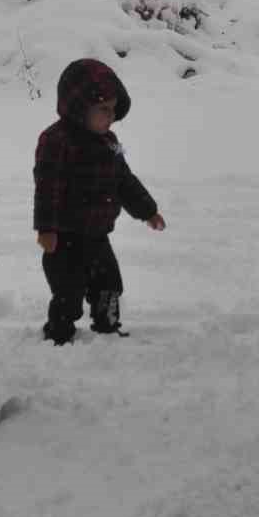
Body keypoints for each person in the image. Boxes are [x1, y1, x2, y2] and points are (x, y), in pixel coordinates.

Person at [34, 57, 166, 345]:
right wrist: (46, 229)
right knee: (68, 289)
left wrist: (148, 211)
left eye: (113, 110)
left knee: (109, 284)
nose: (110, 116)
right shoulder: (56, 141)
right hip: (65, 237)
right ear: (80, 109)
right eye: (103, 110)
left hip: (97, 235)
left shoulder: (108, 143)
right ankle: (59, 331)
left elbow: (125, 182)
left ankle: (107, 324)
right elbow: (47, 188)